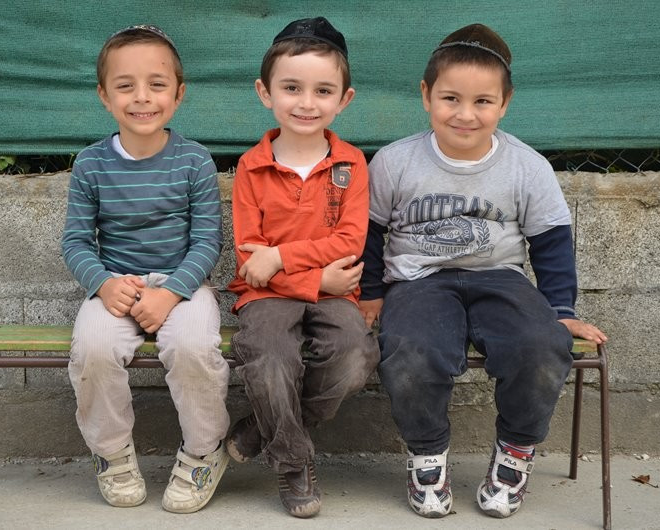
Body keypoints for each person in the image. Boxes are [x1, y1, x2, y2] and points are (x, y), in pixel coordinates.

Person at [358, 23, 608, 520]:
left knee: (542, 345)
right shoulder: (394, 161)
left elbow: (551, 243)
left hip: (500, 278)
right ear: (426, 95)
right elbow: (368, 232)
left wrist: (560, 311)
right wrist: (370, 293)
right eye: (451, 98)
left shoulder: (526, 166)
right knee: (411, 349)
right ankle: (427, 456)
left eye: (483, 101)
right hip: (419, 280)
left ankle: (515, 450)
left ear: (505, 103)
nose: (465, 114)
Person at [61, 24, 229, 514]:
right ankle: (112, 453)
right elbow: (75, 242)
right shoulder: (90, 164)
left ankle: (204, 451)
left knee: (194, 347)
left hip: (184, 287)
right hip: (116, 286)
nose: (142, 97)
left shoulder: (195, 160)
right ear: (104, 95)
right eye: (125, 85)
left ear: (178, 94)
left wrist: (171, 292)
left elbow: (207, 242)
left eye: (157, 85)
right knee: (93, 349)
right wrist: (103, 283)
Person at [226, 17, 380, 518]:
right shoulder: (251, 167)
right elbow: (250, 261)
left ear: (344, 99)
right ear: (264, 92)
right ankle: (293, 462)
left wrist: (281, 256)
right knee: (270, 357)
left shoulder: (352, 164)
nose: (307, 103)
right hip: (269, 295)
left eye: (323, 91)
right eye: (291, 88)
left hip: (336, 295)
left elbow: (349, 240)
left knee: (355, 357)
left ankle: (258, 430)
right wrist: (316, 276)